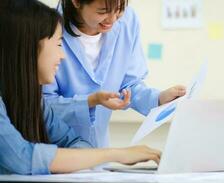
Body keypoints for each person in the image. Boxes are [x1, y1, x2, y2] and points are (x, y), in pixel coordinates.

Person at [0, 0, 161, 176]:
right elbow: (23, 158)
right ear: (27, 48)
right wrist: (116, 153)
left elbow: (73, 141)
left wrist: (158, 99)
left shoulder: (34, 101)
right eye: (58, 44)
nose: (62, 56)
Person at [43, 0, 187, 147]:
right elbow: (42, 105)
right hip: (55, 150)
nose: (112, 20)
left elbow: (129, 84)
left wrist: (158, 99)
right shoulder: (47, 28)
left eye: (119, 9)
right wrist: (90, 101)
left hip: (100, 152)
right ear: (77, 2)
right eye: (102, 11)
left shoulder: (127, 21)